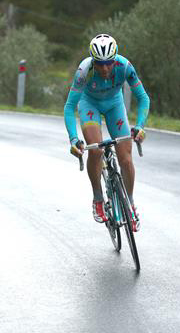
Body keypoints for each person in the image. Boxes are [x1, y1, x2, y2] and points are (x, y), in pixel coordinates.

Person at [64, 34, 150, 231]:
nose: (104, 68)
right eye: (100, 64)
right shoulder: (84, 71)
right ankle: (98, 198)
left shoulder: (125, 66)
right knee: (96, 150)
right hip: (89, 104)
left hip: (114, 105)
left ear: (115, 59)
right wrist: (73, 139)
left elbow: (143, 98)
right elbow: (70, 107)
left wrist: (141, 126)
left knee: (126, 159)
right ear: (93, 61)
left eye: (109, 63)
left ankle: (129, 203)